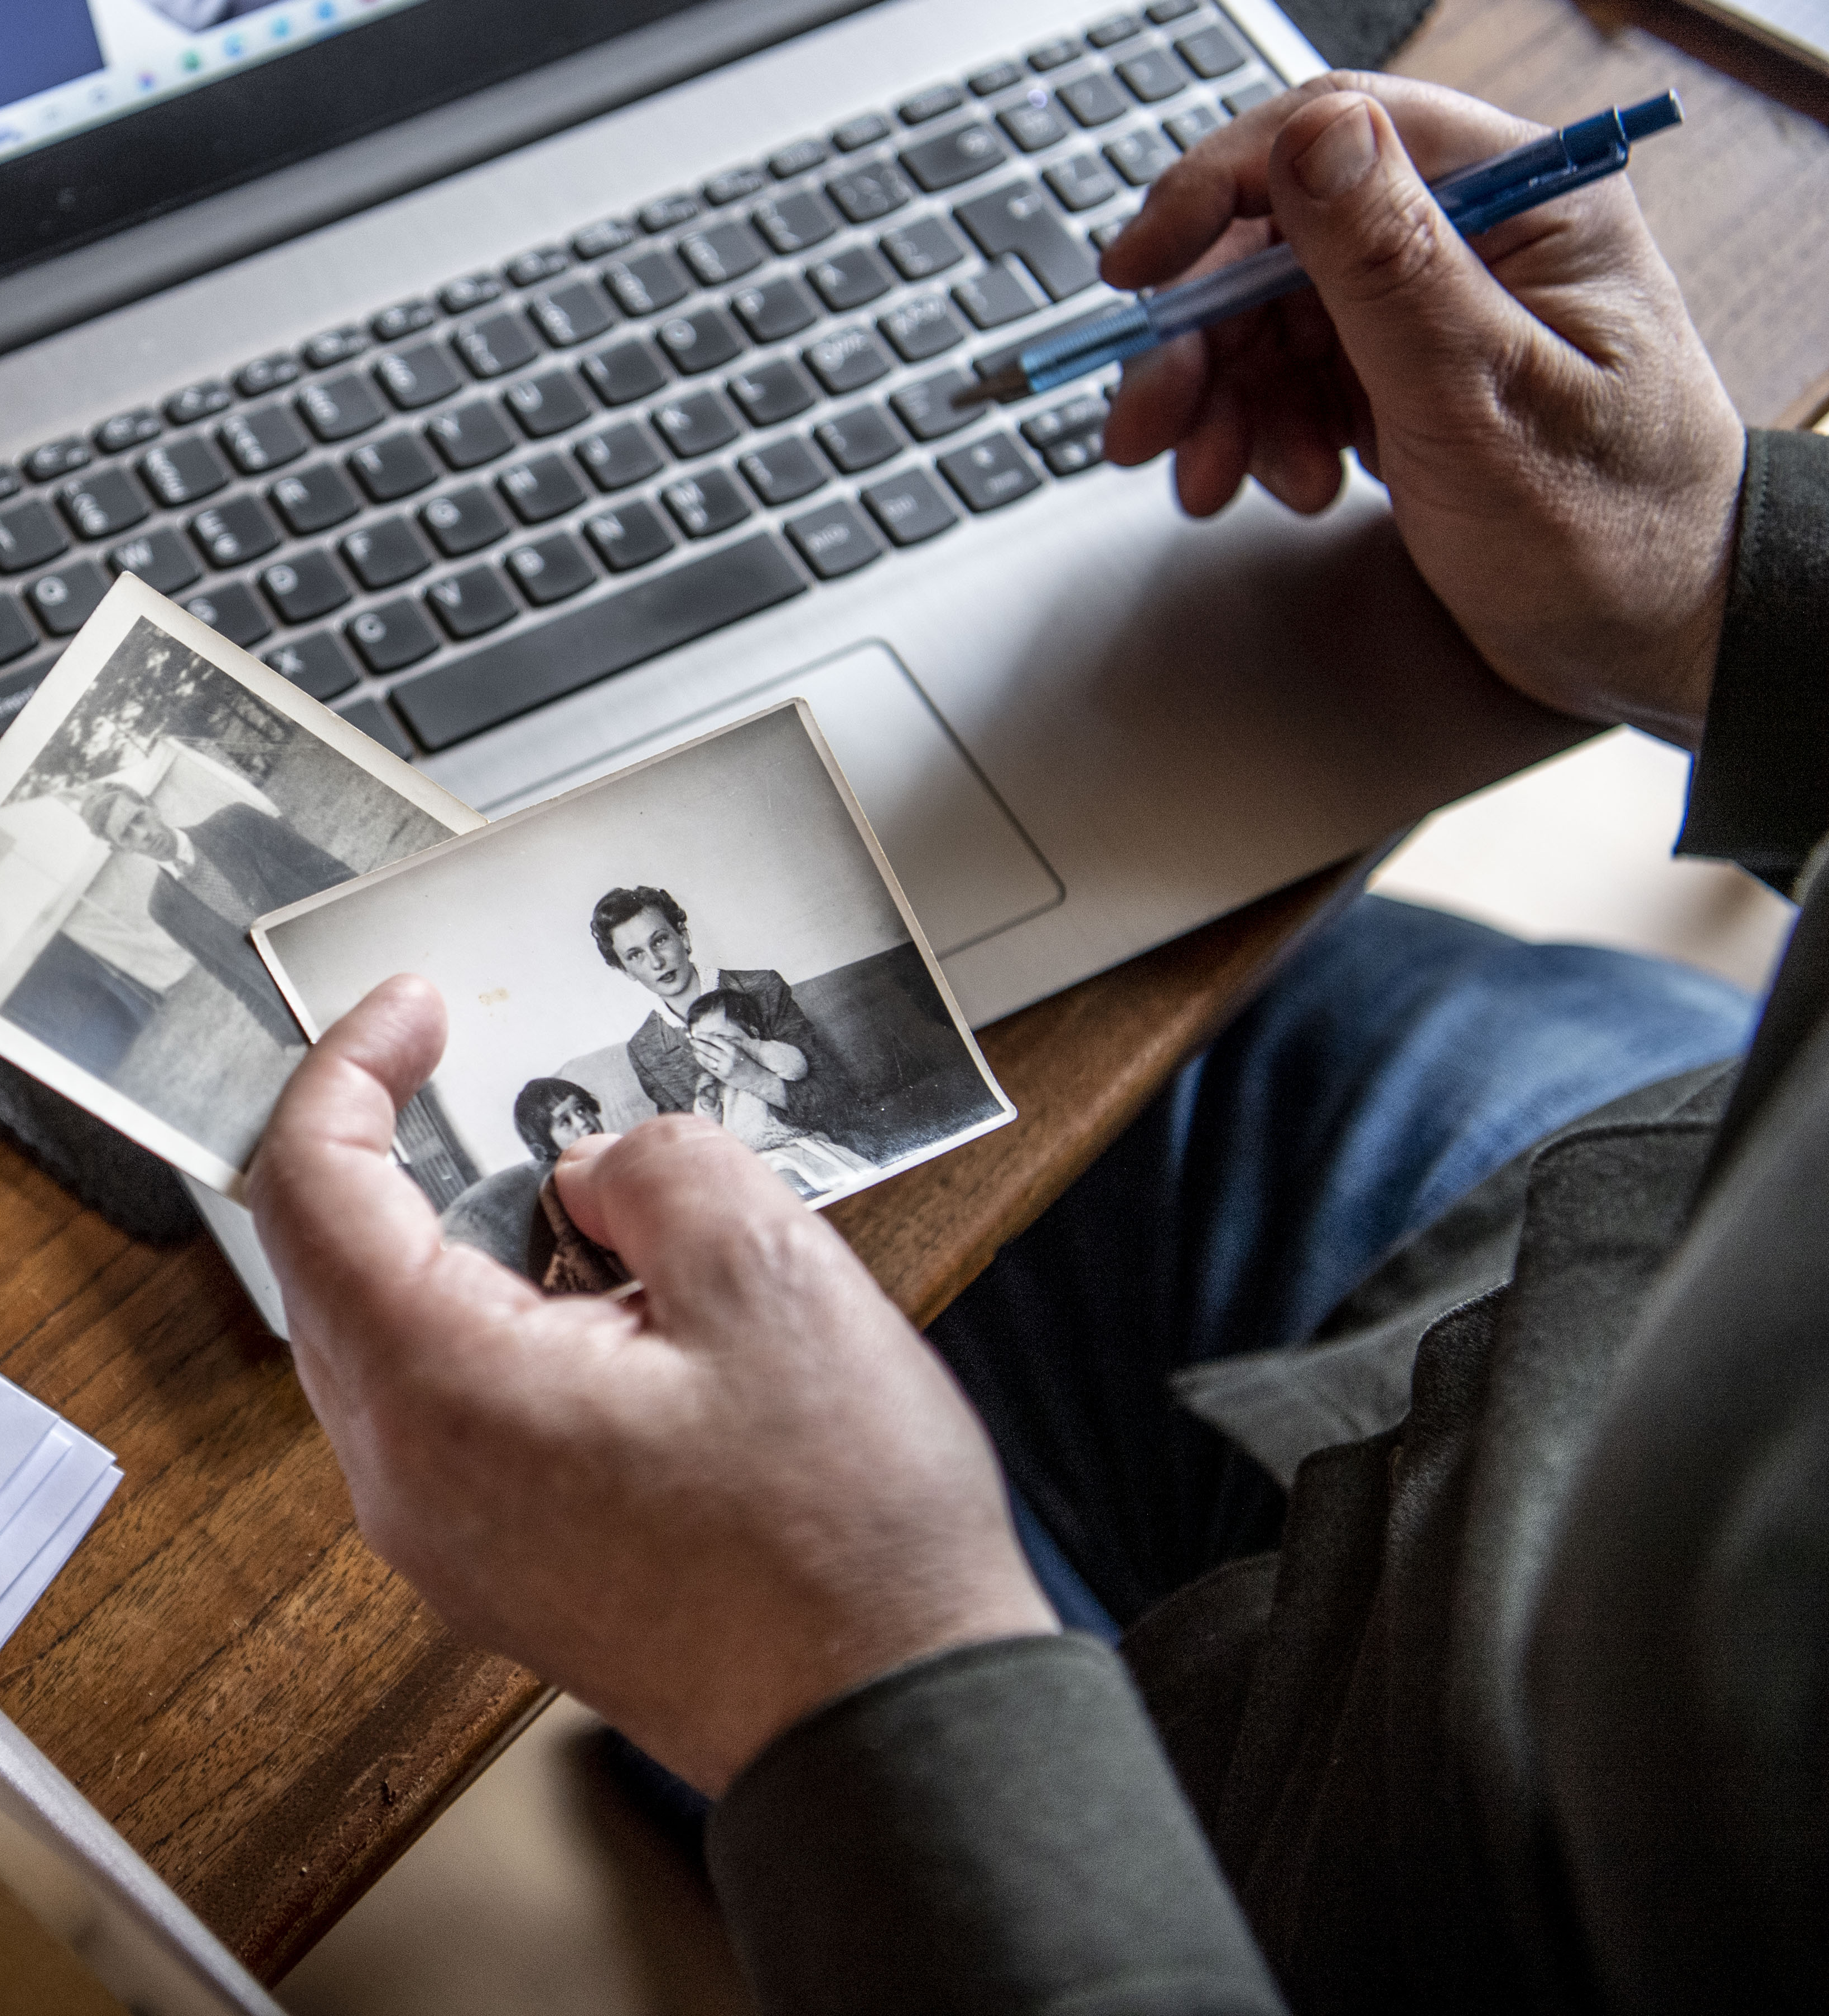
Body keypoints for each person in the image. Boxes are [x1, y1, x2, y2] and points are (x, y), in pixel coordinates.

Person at [247, 71, 1827, 2013]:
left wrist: (861, 1678)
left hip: (1406, 1881)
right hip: (1671, 1211)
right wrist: (1726, 577)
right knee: (1146, 993)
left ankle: (714, 1789)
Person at [591, 889, 889, 1157]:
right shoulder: (646, 1049)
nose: (656, 962)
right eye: (636, 955)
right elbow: (688, 1149)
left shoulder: (762, 988)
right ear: (626, 970)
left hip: (821, 1147)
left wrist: (753, 1078)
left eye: (660, 940)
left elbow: (837, 1099)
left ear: (684, 938)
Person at [81, 782, 355, 1045]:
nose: (142, 834)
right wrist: (286, 1034)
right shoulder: (164, 908)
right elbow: (234, 978)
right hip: (311, 1003)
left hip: (346, 944)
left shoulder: (235, 822)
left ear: (151, 806)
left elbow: (325, 869)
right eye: (127, 835)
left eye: (138, 818)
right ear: (121, 849)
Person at [682, 989, 871, 1201]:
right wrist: (707, 1105)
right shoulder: (713, 1081)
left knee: (789, 1191)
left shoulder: (766, 1053)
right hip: (753, 1162)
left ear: (753, 1033)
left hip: (792, 1148)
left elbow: (796, 1068)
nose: (716, 1050)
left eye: (722, 1039)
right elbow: (708, 1126)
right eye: (706, 1045)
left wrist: (752, 1048)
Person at [438, 1077, 610, 1273]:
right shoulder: (559, 1183)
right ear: (548, 1141)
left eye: (581, 1109)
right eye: (565, 1122)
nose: (583, 1122)